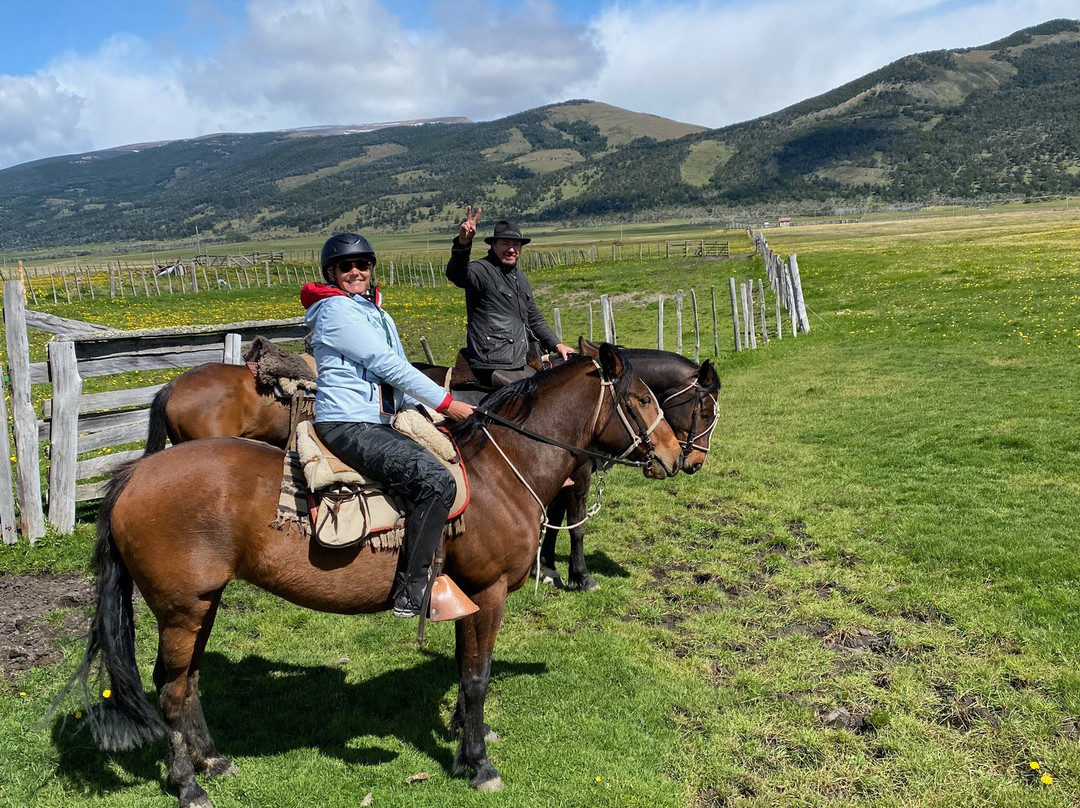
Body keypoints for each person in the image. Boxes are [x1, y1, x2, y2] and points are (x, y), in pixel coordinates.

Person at [302, 233, 474, 618]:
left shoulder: (376, 311)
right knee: (435, 481)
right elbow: (387, 364)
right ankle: (411, 592)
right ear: (331, 273)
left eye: (362, 264)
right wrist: (447, 402)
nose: (356, 272)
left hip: (378, 420)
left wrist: (425, 411)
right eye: (346, 266)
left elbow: (397, 372)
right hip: (349, 424)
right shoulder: (336, 311)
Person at [446, 207, 573, 387]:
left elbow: (533, 317)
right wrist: (462, 244)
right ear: (494, 245)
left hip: (518, 357)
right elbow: (457, 275)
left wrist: (556, 344)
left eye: (516, 244)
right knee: (531, 397)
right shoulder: (482, 270)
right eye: (505, 243)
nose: (511, 249)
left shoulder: (520, 278)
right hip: (492, 360)